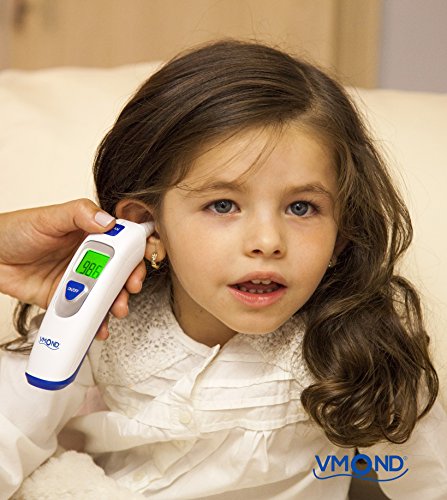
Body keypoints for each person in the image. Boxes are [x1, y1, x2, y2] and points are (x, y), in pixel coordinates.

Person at [0, 40, 446, 499]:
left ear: (342, 231)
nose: (267, 241)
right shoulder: (97, 327)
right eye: (223, 205)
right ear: (149, 226)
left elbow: (432, 481)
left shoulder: (362, 347)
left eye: (301, 207)